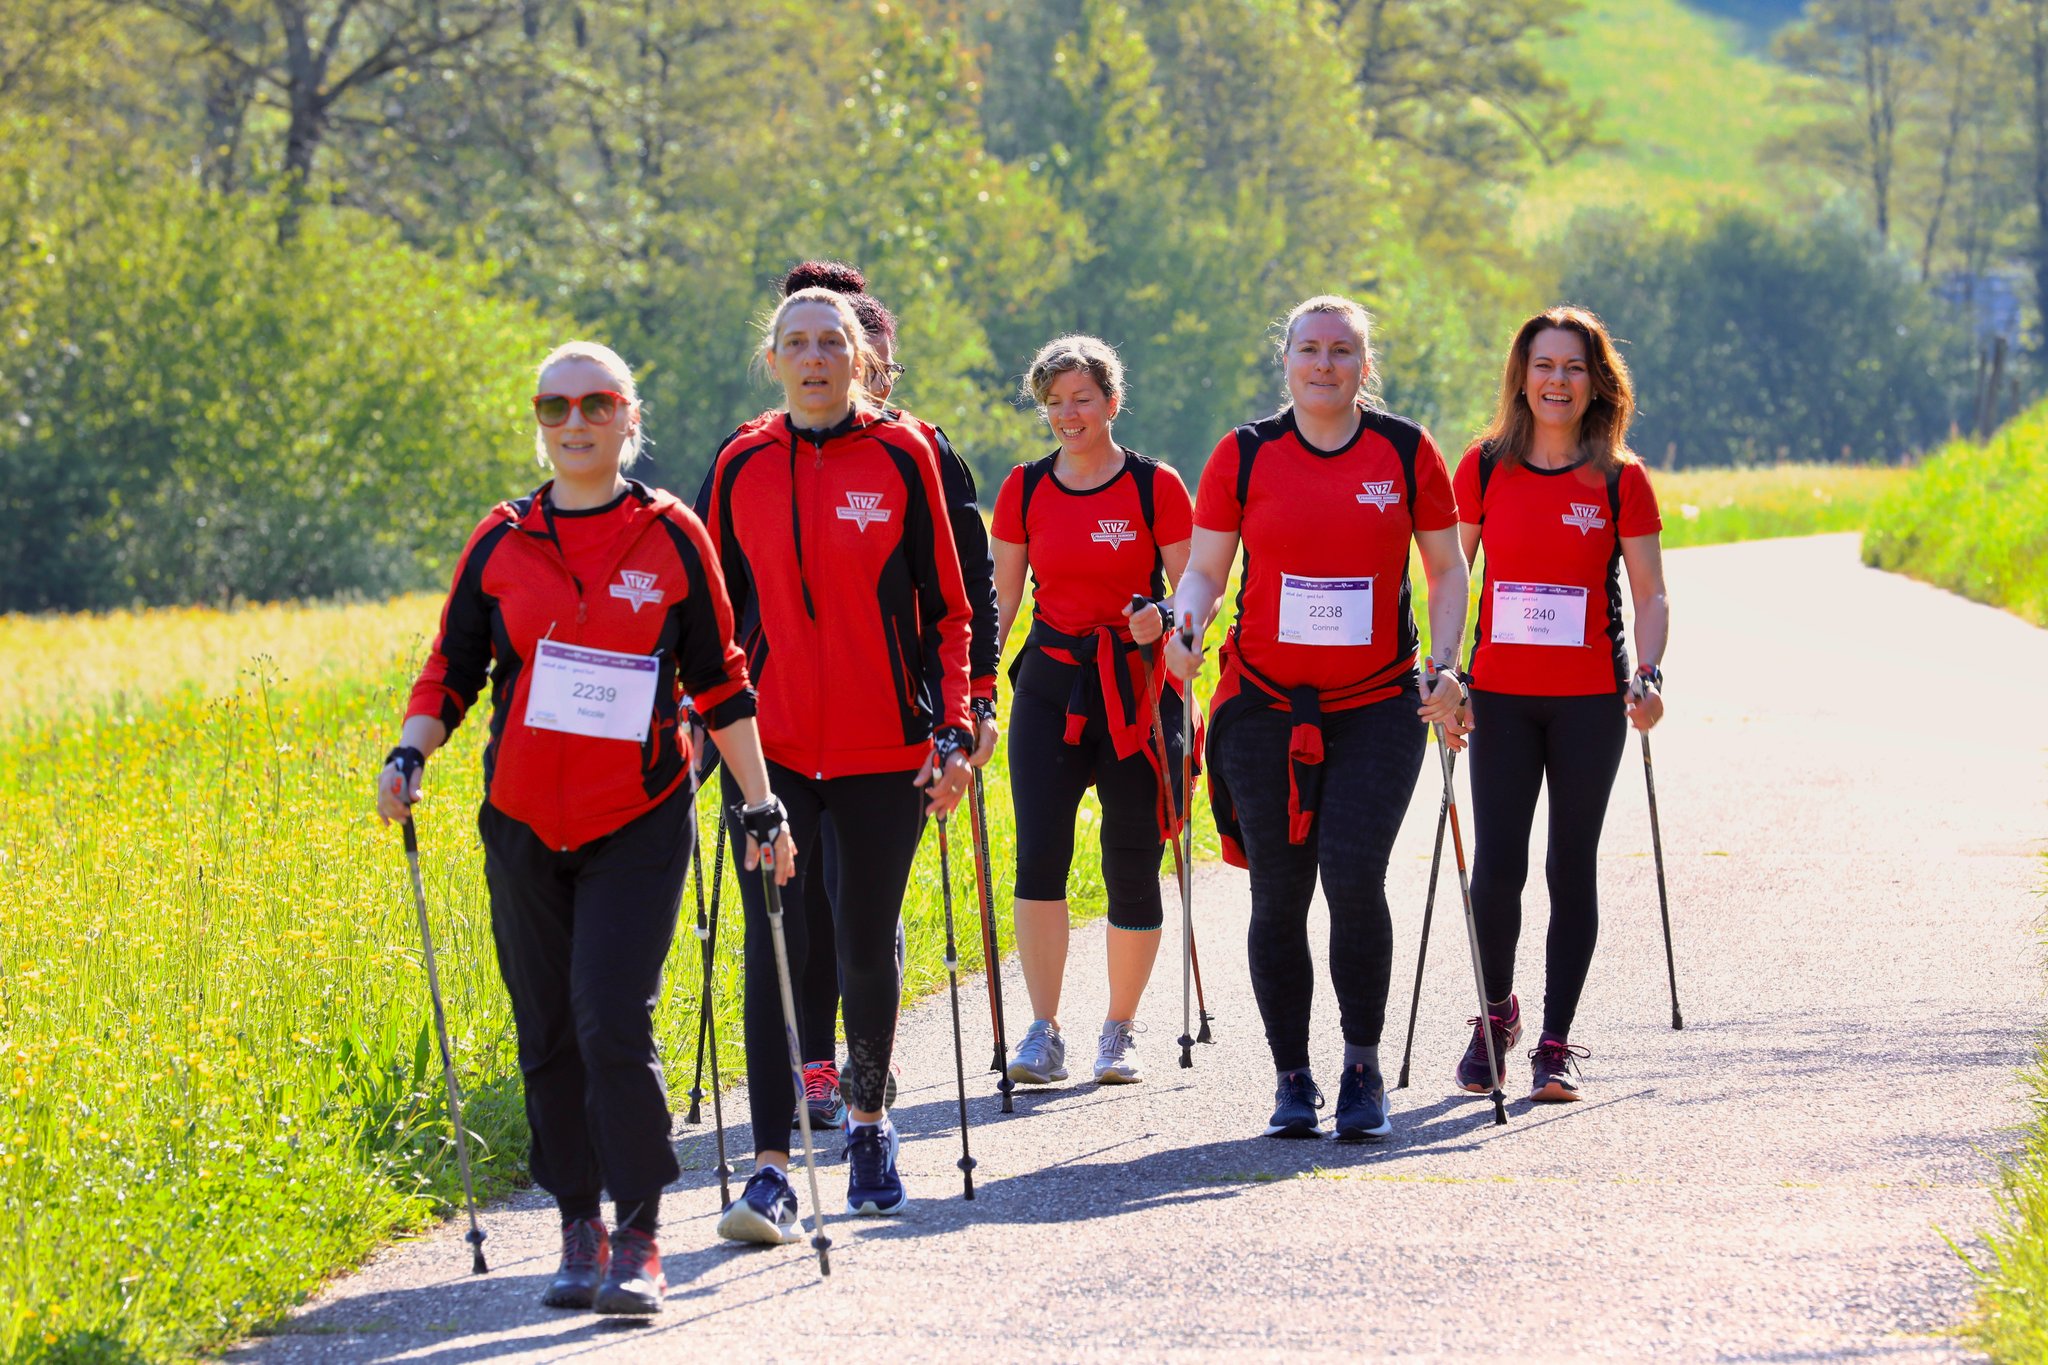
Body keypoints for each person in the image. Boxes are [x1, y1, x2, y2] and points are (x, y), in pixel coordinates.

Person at [374, 341, 792, 1316]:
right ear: (539, 420)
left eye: (595, 404)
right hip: (521, 821)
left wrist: (762, 804)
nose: (573, 422)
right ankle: (578, 1225)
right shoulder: (501, 539)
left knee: (612, 1020)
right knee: (548, 1033)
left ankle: (639, 1234)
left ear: (626, 420)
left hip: (636, 820)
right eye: (554, 406)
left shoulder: (669, 535)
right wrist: (409, 753)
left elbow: (722, 682)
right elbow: (453, 668)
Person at [701, 286, 975, 1244]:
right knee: (776, 945)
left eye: (831, 341)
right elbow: (714, 626)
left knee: (862, 942)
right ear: (771, 358)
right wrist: (699, 736)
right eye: (795, 343)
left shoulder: (904, 455)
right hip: (769, 758)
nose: (813, 357)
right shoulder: (740, 461)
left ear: (861, 355)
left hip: (883, 750)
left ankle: (867, 1124)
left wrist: (957, 725)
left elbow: (950, 607)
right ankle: (772, 1168)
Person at [1166, 295, 1468, 1141]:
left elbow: (1446, 571)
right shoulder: (1246, 453)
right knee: (1279, 893)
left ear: (1364, 366)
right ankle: (1292, 1078)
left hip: (1377, 705)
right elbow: (1204, 574)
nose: (1325, 365)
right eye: (1310, 350)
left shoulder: (1405, 451)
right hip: (1263, 706)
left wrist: (1445, 669)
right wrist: (1186, 628)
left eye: (1343, 351)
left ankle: (1362, 1067)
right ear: (1286, 359)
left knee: (1353, 875)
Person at [1448, 305, 1668, 1103]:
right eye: (1544, 365)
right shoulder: (1482, 467)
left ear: (1597, 381)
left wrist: (1649, 674)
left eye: (1574, 367)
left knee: (1569, 865)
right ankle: (1493, 1013)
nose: (1558, 381)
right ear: (1522, 375)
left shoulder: (1620, 477)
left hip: (1587, 699)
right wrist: (1443, 671)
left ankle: (1554, 1041)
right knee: (1496, 868)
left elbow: (1650, 594)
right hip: (1500, 697)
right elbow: (1449, 577)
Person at [990, 335, 1193, 1087]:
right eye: (1054, 402)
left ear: (1112, 400)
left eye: (1082, 398)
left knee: (1132, 854)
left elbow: (1195, 592)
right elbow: (1002, 604)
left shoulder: (1154, 486)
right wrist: (975, 691)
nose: (1068, 414)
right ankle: (1043, 1031)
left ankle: (1120, 1028)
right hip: (1051, 686)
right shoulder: (1025, 488)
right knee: (1040, 852)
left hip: (1138, 691)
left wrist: (1165, 618)